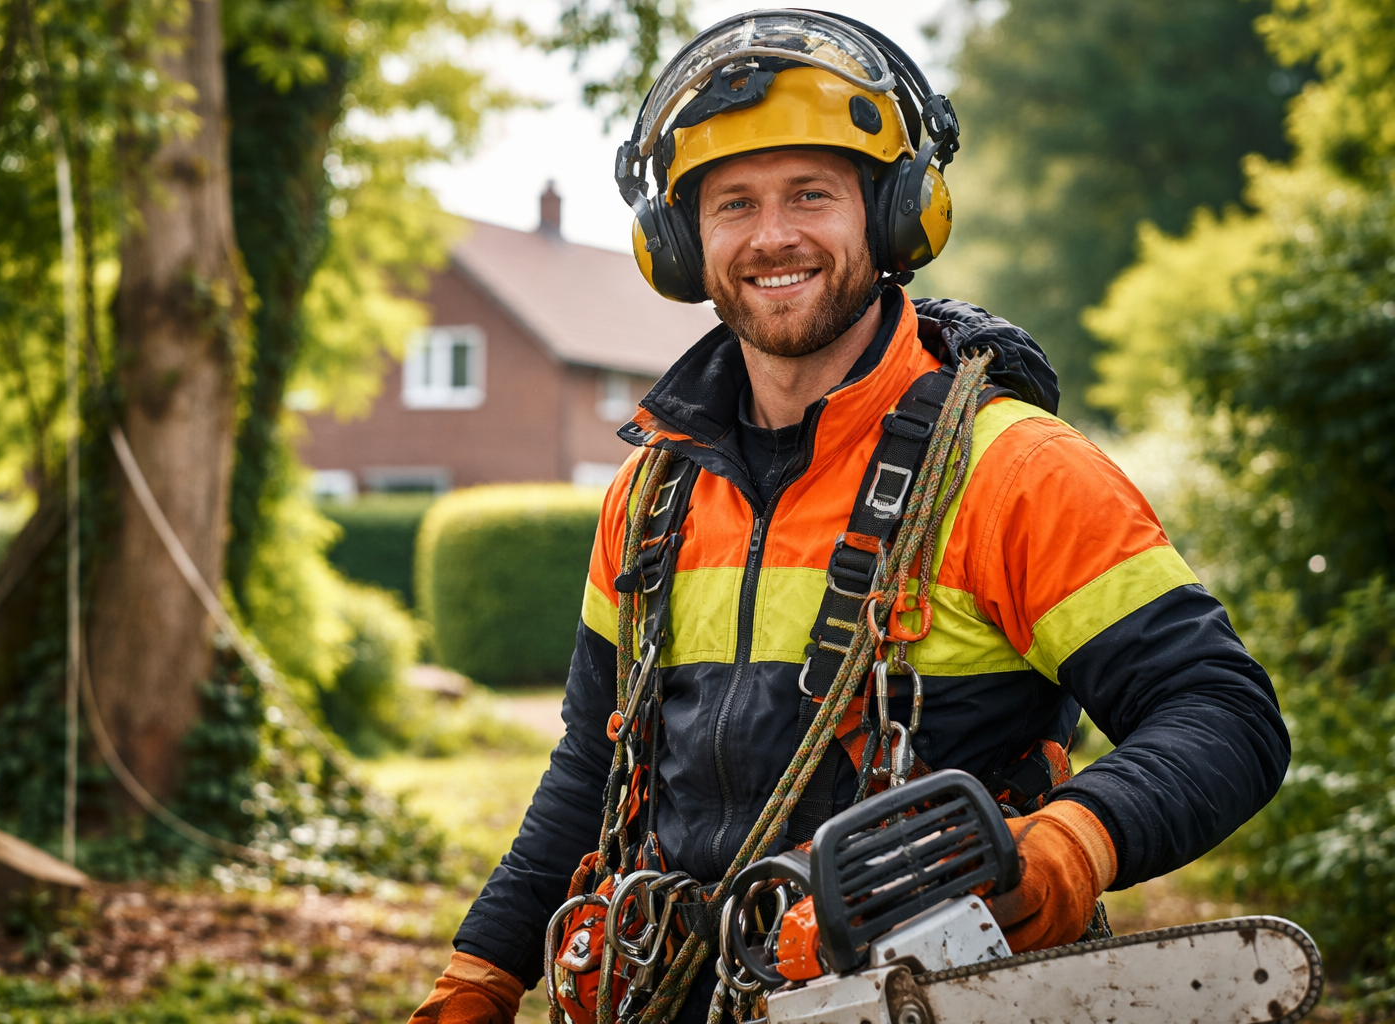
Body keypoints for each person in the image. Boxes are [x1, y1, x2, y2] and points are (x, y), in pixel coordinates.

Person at [411, 11, 1289, 1024]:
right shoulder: (651, 492)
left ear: (894, 214)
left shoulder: (1012, 469)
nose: (772, 235)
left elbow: (1224, 713)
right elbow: (588, 768)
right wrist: (479, 976)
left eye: (811, 194)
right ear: (679, 242)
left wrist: (1067, 848)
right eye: (733, 202)